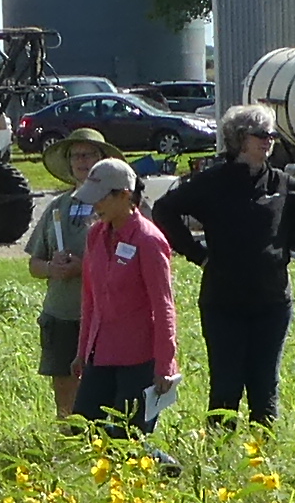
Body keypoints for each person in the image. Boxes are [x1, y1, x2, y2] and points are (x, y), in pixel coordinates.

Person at [163, 107, 295, 424]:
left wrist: (285, 245)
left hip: (272, 301)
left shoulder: (279, 182)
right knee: (225, 385)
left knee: (265, 385)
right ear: (240, 139)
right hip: (224, 302)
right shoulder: (212, 182)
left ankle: (262, 454)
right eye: (262, 135)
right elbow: (165, 210)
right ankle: (221, 455)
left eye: (272, 135)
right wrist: (198, 254)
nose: (269, 141)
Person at [71, 151, 180, 426]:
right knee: (82, 431)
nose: (95, 205)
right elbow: (90, 298)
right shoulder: (96, 235)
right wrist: (82, 351)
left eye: (102, 197)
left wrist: (165, 363)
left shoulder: (148, 240)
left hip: (139, 358)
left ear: (125, 195)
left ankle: (169, 469)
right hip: (101, 353)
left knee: (129, 438)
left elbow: (163, 305)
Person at [19, 128, 105, 412]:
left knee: (101, 392)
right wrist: (51, 269)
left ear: (102, 158)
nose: (81, 161)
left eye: (88, 154)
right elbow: (34, 264)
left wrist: (84, 268)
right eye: (75, 155)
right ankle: (69, 444)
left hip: (103, 315)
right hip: (61, 313)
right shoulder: (58, 206)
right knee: (65, 395)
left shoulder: (117, 204)